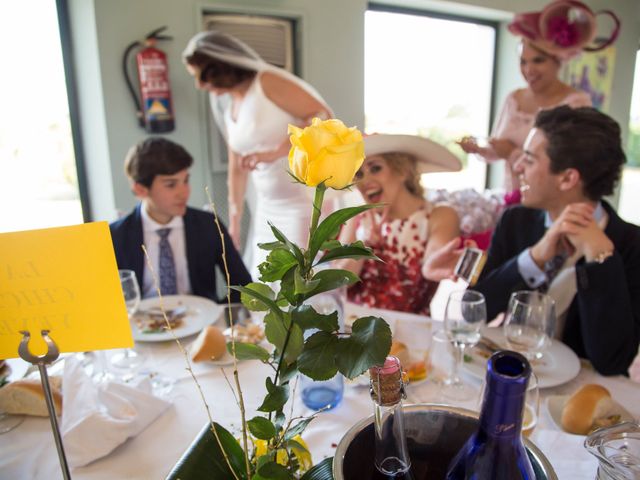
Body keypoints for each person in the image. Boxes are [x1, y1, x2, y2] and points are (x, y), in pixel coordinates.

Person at [471, 106, 639, 376]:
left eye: (529, 159)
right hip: (506, 374)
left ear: (568, 178)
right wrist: (534, 258)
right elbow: (473, 313)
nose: (517, 167)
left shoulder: (631, 244)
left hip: (581, 395)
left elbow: (612, 362)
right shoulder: (515, 220)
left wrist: (600, 256)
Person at [182, 31, 332, 278]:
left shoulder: (267, 82)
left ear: (222, 67)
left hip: (299, 204)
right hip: (266, 208)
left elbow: (321, 116)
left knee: (295, 281)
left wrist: (277, 151)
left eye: (201, 76)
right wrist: (235, 217)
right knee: (264, 280)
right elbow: (236, 163)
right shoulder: (228, 104)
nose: (199, 85)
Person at [458, 0, 619, 195]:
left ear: (558, 61)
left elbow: (570, 164)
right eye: (523, 62)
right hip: (512, 195)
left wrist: (512, 153)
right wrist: (479, 149)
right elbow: (497, 148)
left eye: (538, 61)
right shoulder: (514, 98)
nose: (528, 70)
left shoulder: (576, 103)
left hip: (548, 198)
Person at [110, 137, 252, 302]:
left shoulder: (208, 225)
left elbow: (244, 286)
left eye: (185, 181)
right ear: (141, 189)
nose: (184, 192)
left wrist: (219, 316)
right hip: (142, 326)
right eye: (171, 185)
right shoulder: (116, 236)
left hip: (203, 324)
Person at [336, 134, 462, 315]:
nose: (364, 181)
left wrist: (435, 265)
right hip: (354, 327)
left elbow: (434, 257)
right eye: (358, 174)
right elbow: (339, 281)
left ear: (402, 170)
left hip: (411, 334)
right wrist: (363, 248)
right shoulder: (355, 218)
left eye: (376, 168)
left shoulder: (439, 216)